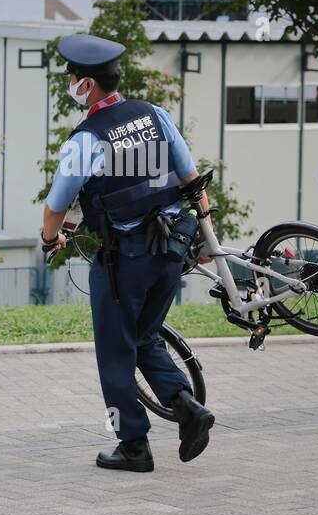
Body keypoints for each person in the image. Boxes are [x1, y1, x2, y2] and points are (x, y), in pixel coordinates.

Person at [40, 33, 216, 473]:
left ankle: (134, 445)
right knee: (144, 337)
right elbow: (192, 179)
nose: (70, 83)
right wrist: (207, 238)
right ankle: (187, 407)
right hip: (172, 248)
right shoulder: (154, 115)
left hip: (126, 259)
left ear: (87, 85)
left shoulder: (86, 139)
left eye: (72, 78)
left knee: (116, 350)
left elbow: (56, 204)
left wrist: (50, 239)